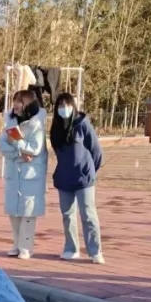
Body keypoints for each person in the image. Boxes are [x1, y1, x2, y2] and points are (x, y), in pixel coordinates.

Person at [50, 92, 105, 264]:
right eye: (60, 106)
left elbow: (96, 150)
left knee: (88, 214)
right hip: (64, 178)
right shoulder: (56, 129)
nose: (64, 109)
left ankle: (95, 250)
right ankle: (71, 248)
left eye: (67, 105)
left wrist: (90, 170)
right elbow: (58, 152)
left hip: (84, 178)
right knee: (67, 215)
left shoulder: (83, 124)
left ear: (73, 106)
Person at [0, 88, 47, 259]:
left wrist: (16, 142)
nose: (16, 105)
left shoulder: (36, 123)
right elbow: (2, 145)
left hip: (30, 175)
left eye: (20, 101)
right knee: (14, 211)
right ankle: (16, 244)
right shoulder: (10, 122)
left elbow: (35, 148)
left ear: (28, 104)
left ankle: (26, 247)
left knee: (27, 212)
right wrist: (19, 152)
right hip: (13, 172)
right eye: (15, 101)